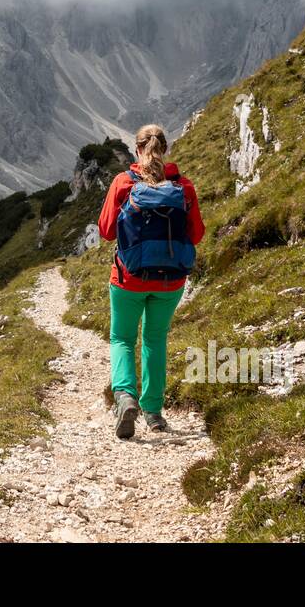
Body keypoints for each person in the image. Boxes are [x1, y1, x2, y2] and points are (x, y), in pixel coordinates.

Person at [96, 124, 205, 439]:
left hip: (129, 278)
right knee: (155, 340)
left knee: (122, 339)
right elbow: (196, 234)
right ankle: (154, 413)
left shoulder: (123, 182)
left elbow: (105, 231)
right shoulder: (183, 186)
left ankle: (126, 397)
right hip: (170, 282)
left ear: (137, 150)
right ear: (165, 150)